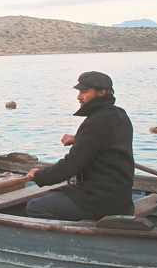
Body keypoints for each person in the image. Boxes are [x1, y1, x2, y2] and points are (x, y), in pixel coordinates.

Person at [26, 71, 134, 221]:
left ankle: (71, 241)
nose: (79, 97)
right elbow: (107, 143)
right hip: (121, 199)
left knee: (35, 207)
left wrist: (39, 176)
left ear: (102, 92)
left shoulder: (95, 123)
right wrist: (79, 139)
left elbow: (71, 166)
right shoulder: (119, 115)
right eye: (79, 92)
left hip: (100, 201)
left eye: (85, 91)